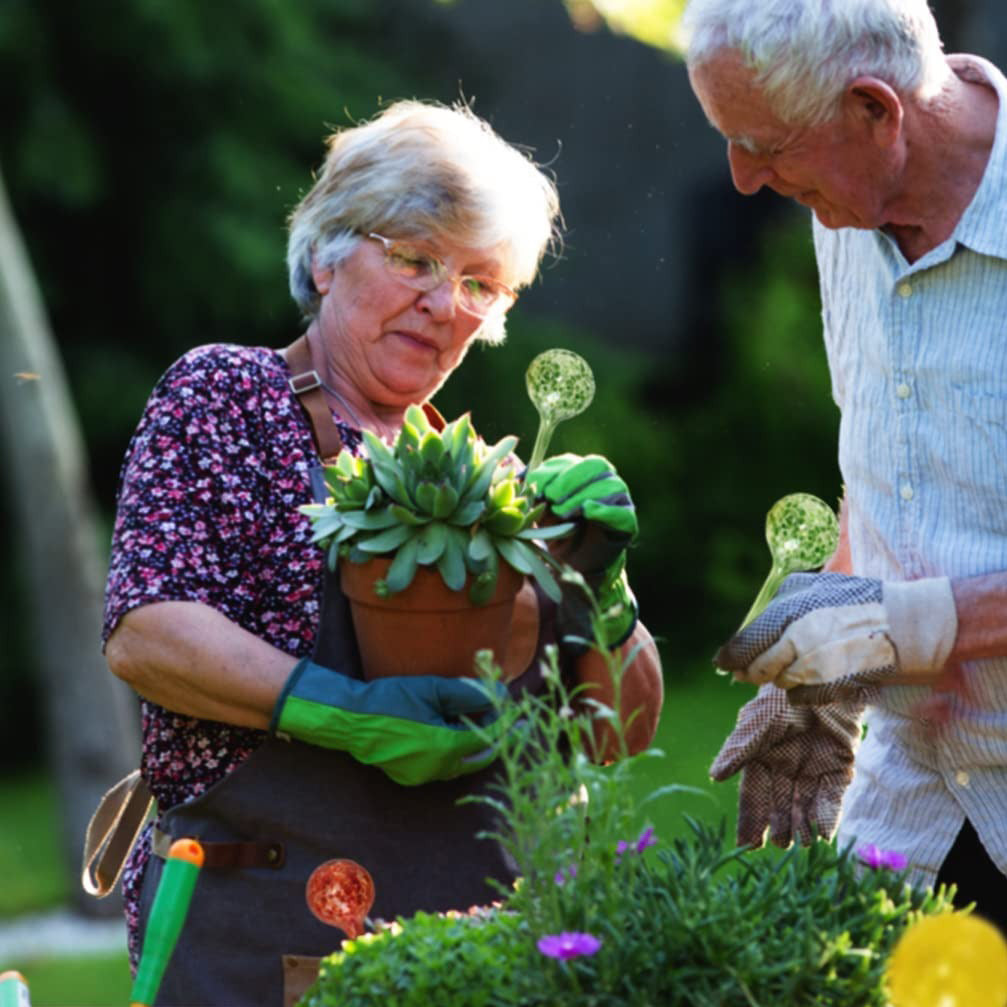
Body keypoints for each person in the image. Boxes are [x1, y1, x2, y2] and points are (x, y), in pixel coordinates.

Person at [99, 99, 663, 1004]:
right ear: (325, 255)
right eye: (414, 259)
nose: (444, 305)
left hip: (471, 956)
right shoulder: (230, 398)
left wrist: (605, 592)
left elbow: (613, 738)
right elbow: (146, 630)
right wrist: (342, 708)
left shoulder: (500, 483)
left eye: (481, 282)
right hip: (258, 937)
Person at [682, 0, 1007, 931]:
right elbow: (895, 470)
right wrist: (823, 678)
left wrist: (903, 625)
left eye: (764, 143)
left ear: (875, 110)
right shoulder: (845, 210)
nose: (742, 179)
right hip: (910, 811)